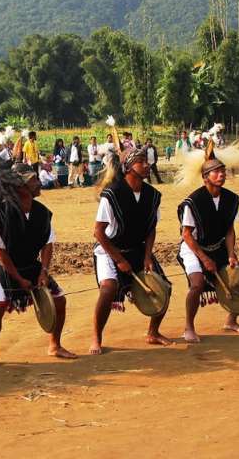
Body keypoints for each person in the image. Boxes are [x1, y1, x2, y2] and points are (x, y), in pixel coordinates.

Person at [0, 160, 77, 368]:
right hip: (5, 266)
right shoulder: (0, 214)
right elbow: (0, 252)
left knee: (59, 301)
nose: (38, 183)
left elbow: (47, 245)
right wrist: (18, 279)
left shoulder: (43, 212)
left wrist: (44, 271)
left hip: (32, 265)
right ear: (20, 187)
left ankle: (55, 345)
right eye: (33, 180)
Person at [90, 149, 172, 354]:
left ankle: (153, 332)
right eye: (140, 161)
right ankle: (96, 338)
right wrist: (119, 260)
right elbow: (98, 233)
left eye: (147, 161)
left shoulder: (152, 195)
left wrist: (147, 256)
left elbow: (151, 228)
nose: (146, 165)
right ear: (127, 167)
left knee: (165, 288)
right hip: (110, 249)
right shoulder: (111, 194)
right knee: (108, 289)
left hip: (138, 250)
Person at [176, 151, 239, 341]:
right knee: (197, 284)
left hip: (218, 246)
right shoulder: (193, 202)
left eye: (223, 171)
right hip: (193, 247)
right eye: (216, 172)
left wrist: (231, 254)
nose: (222, 174)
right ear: (205, 178)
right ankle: (189, 327)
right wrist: (204, 259)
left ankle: (231, 320)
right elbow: (186, 234)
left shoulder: (230, 199)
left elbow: (229, 230)